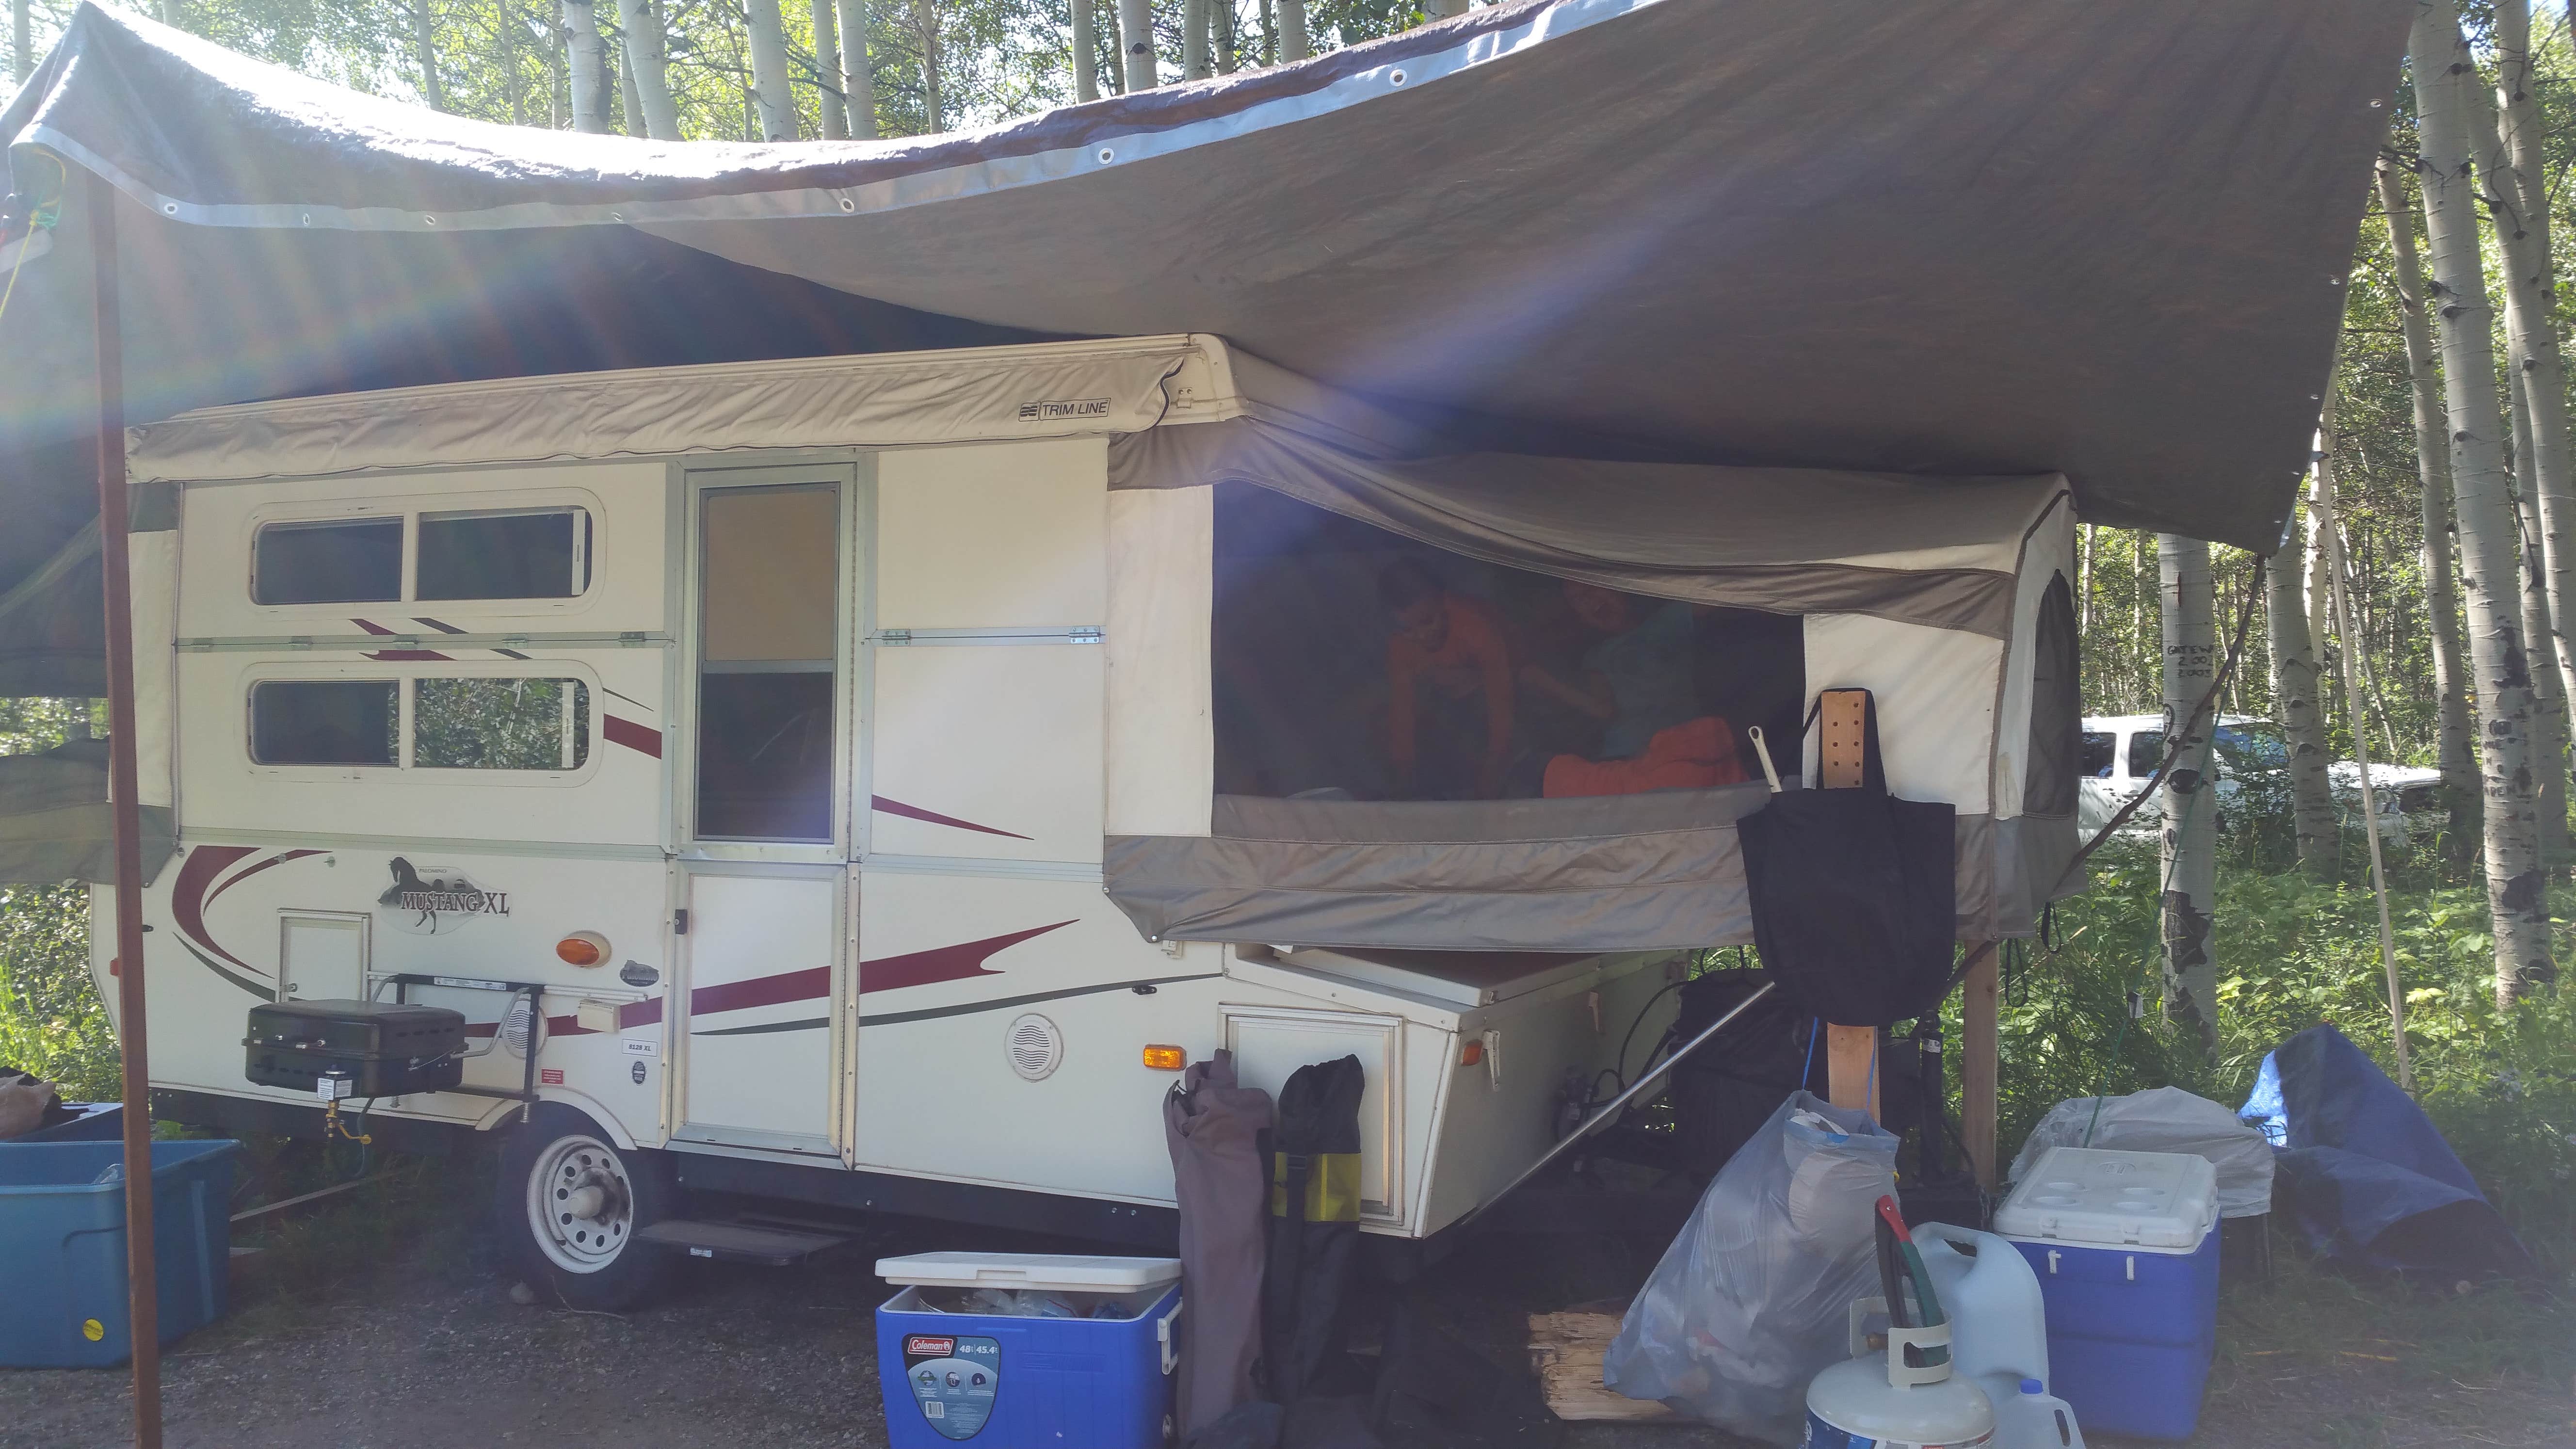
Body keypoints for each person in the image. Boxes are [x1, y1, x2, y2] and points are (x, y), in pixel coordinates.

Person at [1381, 559, 1516, 799]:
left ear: (1443, 602)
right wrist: (1402, 783)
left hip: (1509, 686)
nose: (1421, 636)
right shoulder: (1400, 646)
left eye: (1427, 622)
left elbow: (1502, 701)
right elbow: (1402, 715)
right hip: (1450, 699)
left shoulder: (1476, 626)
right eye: (1408, 629)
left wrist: (1494, 767)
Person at [1519, 581, 1699, 759]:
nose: (1588, 599)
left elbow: (1720, 591)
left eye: (1591, 587)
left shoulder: (1664, 624)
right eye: (1577, 599)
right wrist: (1542, 680)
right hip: (1623, 761)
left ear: (1617, 586)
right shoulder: (1596, 657)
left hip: (1680, 751)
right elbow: (1603, 708)